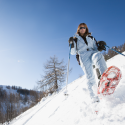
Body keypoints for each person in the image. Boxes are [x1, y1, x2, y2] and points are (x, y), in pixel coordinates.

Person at [68, 23, 107, 102]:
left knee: (98, 56)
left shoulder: (91, 37)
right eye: (81, 27)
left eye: (84, 27)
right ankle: (94, 98)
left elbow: (95, 49)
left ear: (86, 29)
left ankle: (105, 79)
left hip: (92, 53)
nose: (83, 29)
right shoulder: (75, 39)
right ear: (78, 29)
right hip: (83, 57)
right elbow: (73, 52)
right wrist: (71, 44)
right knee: (90, 77)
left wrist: (100, 47)